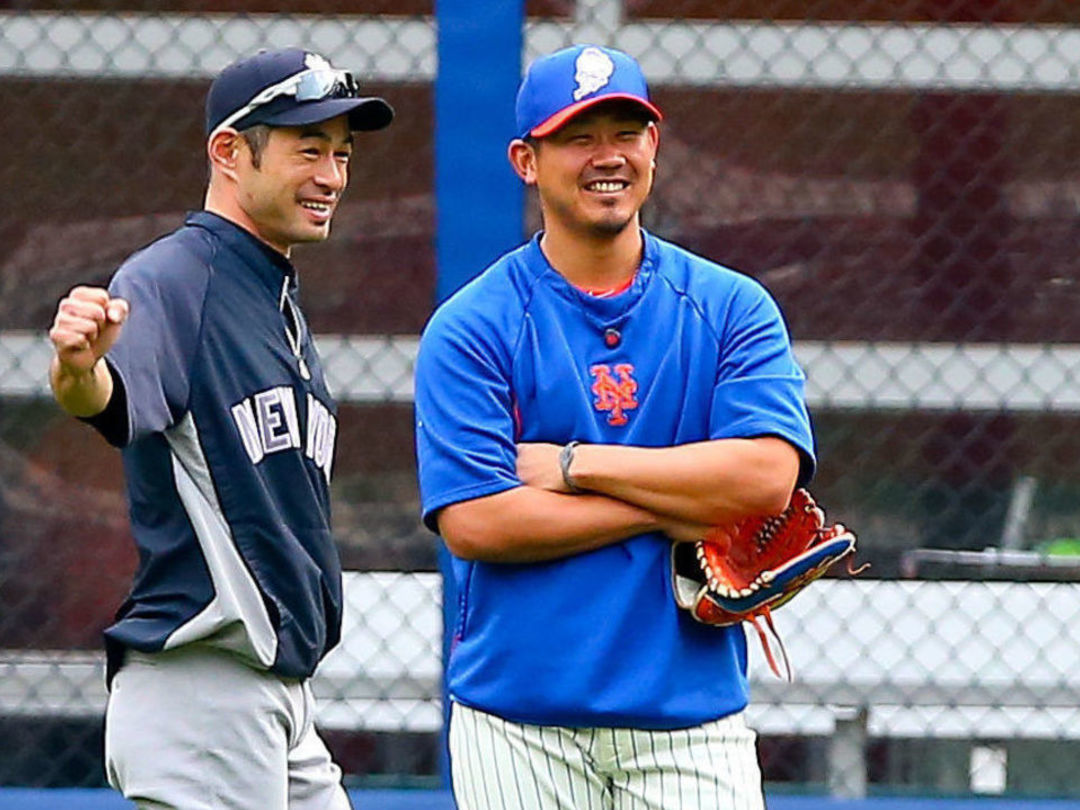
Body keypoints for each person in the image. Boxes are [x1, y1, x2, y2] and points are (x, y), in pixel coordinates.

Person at [414, 44, 814, 809]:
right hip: (518, 723)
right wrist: (687, 497)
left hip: (690, 718)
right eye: (578, 137)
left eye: (626, 133)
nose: (609, 157)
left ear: (654, 147)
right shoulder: (471, 327)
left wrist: (574, 467)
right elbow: (477, 522)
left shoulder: (733, 307)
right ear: (526, 161)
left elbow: (766, 482)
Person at [47, 48, 393, 810]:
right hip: (203, 688)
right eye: (308, 148)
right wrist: (76, 366)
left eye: (342, 154)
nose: (333, 176)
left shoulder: (274, 296)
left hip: (276, 701)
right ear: (230, 152)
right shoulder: (174, 278)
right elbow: (106, 399)